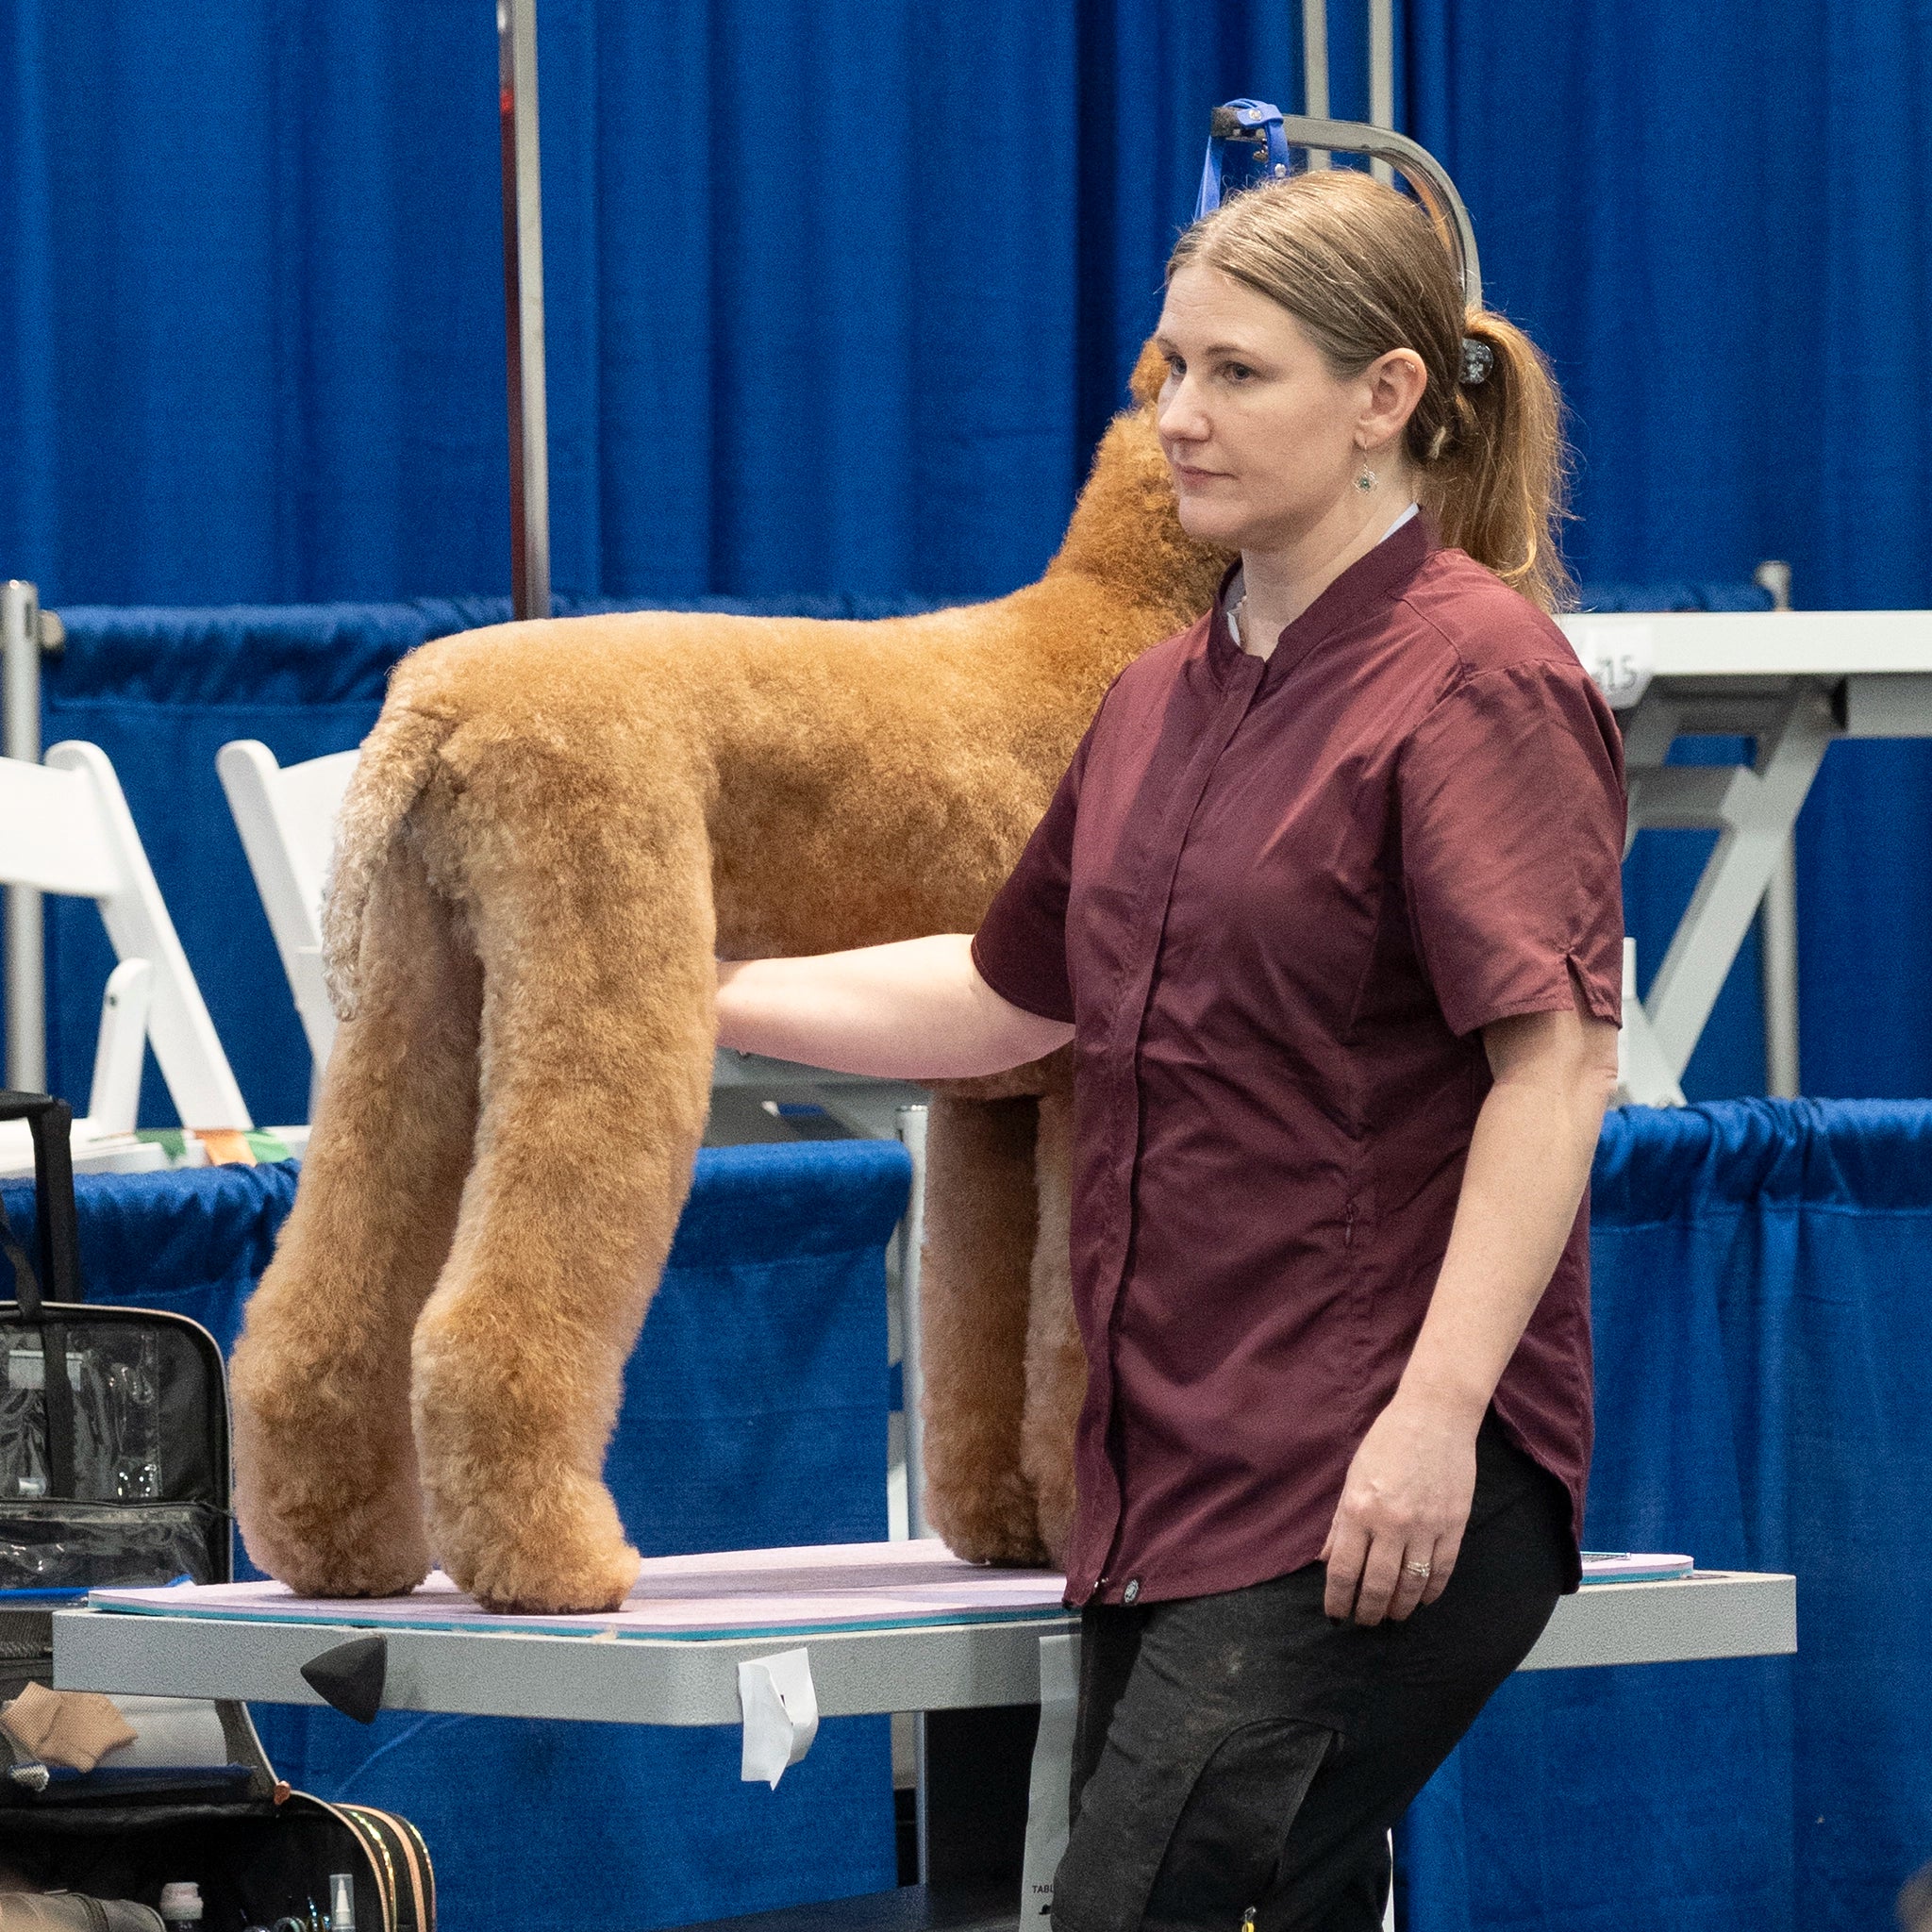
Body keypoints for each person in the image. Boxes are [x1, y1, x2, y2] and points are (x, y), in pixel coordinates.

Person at [717, 168, 1624, 1932]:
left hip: (1371, 1469)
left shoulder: (1477, 681)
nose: (1176, 421)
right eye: (1165, 372)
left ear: (1387, 400)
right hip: (1172, 1482)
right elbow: (1011, 999)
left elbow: (1558, 1070)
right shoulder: (1157, 695)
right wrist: (685, 992)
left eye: (1234, 375)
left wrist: (1434, 1424)